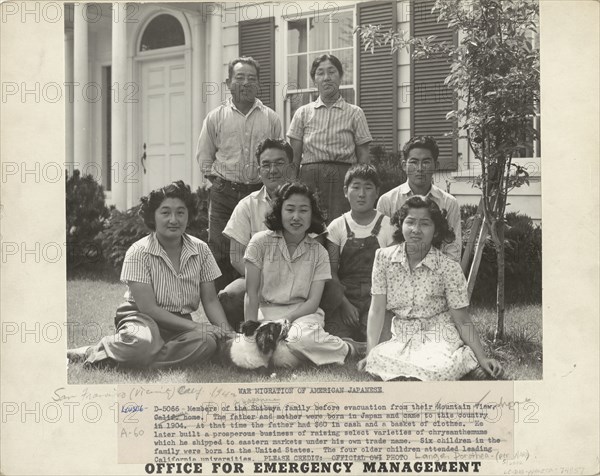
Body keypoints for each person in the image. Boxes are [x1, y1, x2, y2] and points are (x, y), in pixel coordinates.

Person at [67, 181, 234, 369]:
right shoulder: (138, 251)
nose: (174, 219)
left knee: (207, 342)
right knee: (143, 343)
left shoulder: (201, 250)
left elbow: (210, 300)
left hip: (180, 323)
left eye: (180, 212)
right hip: (140, 317)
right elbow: (148, 308)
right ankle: (98, 351)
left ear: (189, 215)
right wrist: (197, 326)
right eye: (165, 213)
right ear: (152, 217)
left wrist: (227, 333)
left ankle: (129, 356)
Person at [358, 196, 503, 381]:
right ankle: (427, 374)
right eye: (410, 222)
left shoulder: (448, 267)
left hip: (439, 334)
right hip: (402, 334)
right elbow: (377, 309)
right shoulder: (383, 258)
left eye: (425, 224)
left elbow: (461, 318)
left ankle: (467, 359)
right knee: (377, 359)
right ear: (401, 225)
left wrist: (483, 357)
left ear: (435, 231)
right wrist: (370, 352)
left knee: (438, 368)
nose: (416, 230)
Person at [244, 182, 364, 366]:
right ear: (279, 211)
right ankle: (308, 353)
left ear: (312, 214)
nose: (296, 217)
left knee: (301, 340)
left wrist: (286, 321)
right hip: (267, 312)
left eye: (303, 210)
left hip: (304, 316)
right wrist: (250, 334)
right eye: (290, 209)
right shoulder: (259, 243)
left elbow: (312, 302)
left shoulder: (319, 252)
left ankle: (350, 348)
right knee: (274, 355)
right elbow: (251, 294)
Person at [196, 56, 283, 291]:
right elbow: (204, 157)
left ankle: (258, 302)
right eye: (239, 77)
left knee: (257, 247)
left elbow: (278, 157)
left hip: (258, 193)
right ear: (228, 82)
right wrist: (218, 182)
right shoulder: (216, 117)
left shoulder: (271, 118)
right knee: (220, 250)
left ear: (258, 84)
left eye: (251, 79)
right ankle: (223, 311)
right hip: (224, 192)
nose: (245, 83)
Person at [219, 138, 297, 330]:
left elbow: (317, 249)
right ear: (258, 170)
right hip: (258, 280)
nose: (273, 170)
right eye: (266, 165)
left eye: (279, 163)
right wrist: (263, 281)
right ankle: (250, 331)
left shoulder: (305, 202)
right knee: (229, 296)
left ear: (291, 167)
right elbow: (236, 256)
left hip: (298, 280)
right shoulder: (247, 205)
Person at [287, 54, 372, 223]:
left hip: (343, 177)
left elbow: (363, 156)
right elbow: (294, 157)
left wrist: (358, 186)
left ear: (340, 77)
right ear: (314, 80)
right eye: (320, 73)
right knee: (310, 225)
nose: (326, 78)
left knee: (340, 226)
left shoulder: (355, 113)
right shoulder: (303, 113)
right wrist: (290, 187)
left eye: (332, 72)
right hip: (309, 178)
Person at [323, 164, 395, 342]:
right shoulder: (336, 227)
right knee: (334, 338)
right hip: (346, 298)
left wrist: (377, 306)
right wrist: (344, 304)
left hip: (378, 298)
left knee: (383, 339)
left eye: (368, 187)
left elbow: (393, 275)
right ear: (346, 191)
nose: (362, 194)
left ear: (377, 192)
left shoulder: (389, 226)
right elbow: (331, 273)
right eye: (356, 187)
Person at [377, 136, 462, 261]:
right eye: (414, 162)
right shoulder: (387, 201)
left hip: (438, 273)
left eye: (426, 162)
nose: (420, 168)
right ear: (404, 165)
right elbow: (383, 247)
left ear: (436, 165)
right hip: (396, 272)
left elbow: (453, 249)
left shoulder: (449, 203)